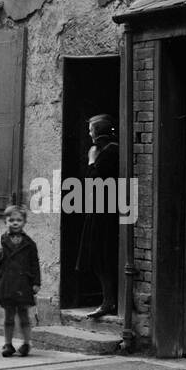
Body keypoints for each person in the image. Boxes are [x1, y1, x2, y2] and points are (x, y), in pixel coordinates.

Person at [75, 114, 120, 317]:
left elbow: (94, 179)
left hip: (105, 212)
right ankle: (107, 300)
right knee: (96, 257)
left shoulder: (110, 151)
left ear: (99, 131)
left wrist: (91, 161)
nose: (89, 133)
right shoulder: (105, 150)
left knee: (102, 257)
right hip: (99, 208)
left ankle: (109, 301)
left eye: (92, 129)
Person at [0, 204, 41, 357]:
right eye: (11, 220)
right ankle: (8, 344)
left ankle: (26, 343)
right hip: (7, 284)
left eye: (19, 220)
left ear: (24, 222)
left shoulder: (29, 243)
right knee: (9, 315)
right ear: (6, 222)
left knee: (23, 314)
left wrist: (36, 282)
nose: (15, 223)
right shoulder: (1, 241)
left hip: (23, 284)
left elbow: (34, 264)